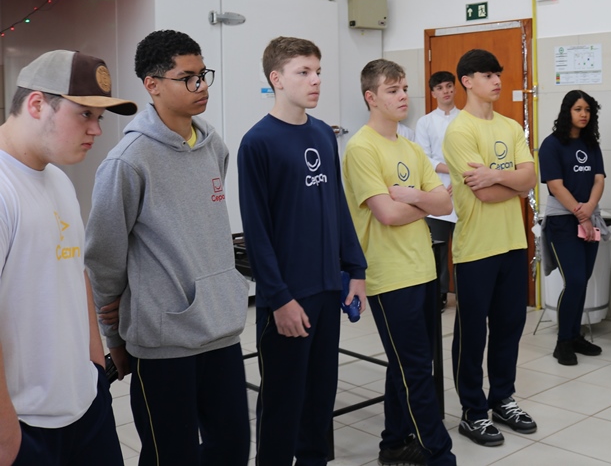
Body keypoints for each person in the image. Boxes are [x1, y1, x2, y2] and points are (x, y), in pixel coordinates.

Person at [86, 30, 251, 466]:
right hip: (163, 343)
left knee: (232, 448)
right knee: (170, 456)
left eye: (203, 75)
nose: (202, 86)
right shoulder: (127, 161)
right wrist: (114, 338)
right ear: (152, 84)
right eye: (188, 78)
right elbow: (103, 258)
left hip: (221, 330)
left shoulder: (213, 144)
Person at [236, 36, 367, 466]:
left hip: (328, 288)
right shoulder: (258, 142)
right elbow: (257, 231)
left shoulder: (323, 134)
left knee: (319, 403)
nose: (315, 81)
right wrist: (278, 298)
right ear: (276, 78)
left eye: (318, 71)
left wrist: (356, 269)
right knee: (282, 405)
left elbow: (338, 206)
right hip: (289, 297)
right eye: (303, 72)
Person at [0, 50, 135, 466]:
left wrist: (94, 364)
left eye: (100, 117)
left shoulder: (58, 179)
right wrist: (7, 438)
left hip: (86, 404)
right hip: (25, 423)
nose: (96, 129)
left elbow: (76, 273)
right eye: (85, 115)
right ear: (37, 104)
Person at [342, 59, 455, 466]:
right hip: (389, 275)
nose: (404, 95)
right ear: (371, 97)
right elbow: (387, 215)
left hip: (423, 268)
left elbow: (444, 203)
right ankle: (439, 453)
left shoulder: (409, 147)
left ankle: (393, 445)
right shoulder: (361, 148)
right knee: (416, 369)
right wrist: (423, 202)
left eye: (404, 87)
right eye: (393, 90)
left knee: (406, 365)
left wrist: (411, 197)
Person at [442, 49, 537, 447]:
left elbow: (530, 179)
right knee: (471, 333)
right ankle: (473, 411)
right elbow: (483, 194)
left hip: (513, 243)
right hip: (476, 249)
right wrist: (512, 181)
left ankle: (502, 399)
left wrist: (498, 175)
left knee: (509, 327)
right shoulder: (459, 131)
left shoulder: (511, 126)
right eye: (487, 74)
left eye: (497, 73)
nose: (497, 80)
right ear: (467, 81)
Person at [539, 90, 605, 366]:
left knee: (582, 280)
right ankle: (563, 342)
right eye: (578, 109)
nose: (583, 114)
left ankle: (575, 335)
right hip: (563, 222)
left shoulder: (591, 144)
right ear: (567, 111)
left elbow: (599, 180)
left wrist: (589, 209)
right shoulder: (551, 145)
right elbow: (556, 186)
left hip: (589, 217)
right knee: (574, 280)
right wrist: (581, 215)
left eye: (587, 110)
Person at [415, 70, 459, 311]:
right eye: (440, 88)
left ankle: (464, 292)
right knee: (438, 248)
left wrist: (459, 176)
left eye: (449, 86)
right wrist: (450, 171)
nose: (446, 91)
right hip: (437, 190)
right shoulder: (425, 122)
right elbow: (424, 157)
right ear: (433, 93)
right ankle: (440, 293)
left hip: (463, 190)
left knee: (464, 247)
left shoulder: (466, 118)